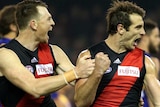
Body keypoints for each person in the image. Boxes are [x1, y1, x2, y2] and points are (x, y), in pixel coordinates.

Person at [0, 0, 111, 107]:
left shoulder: (54, 51)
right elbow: (34, 88)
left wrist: (97, 72)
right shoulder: (5, 55)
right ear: (34, 25)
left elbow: (79, 83)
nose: (53, 23)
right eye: (48, 19)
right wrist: (76, 72)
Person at [74, 1, 160, 107]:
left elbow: (158, 102)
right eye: (138, 27)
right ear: (121, 29)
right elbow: (80, 103)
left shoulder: (145, 62)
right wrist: (97, 72)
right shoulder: (89, 56)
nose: (143, 32)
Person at [138, 19, 160, 107]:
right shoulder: (153, 62)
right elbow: (153, 95)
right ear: (145, 37)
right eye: (156, 36)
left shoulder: (127, 57)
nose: (159, 40)